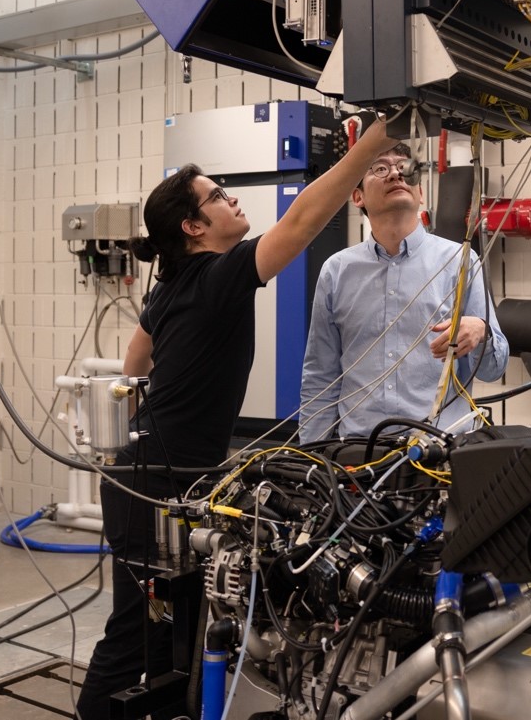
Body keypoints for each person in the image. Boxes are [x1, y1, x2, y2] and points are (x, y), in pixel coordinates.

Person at [75, 117, 398, 720]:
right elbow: (301, 223)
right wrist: (371, 145)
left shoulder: (173, 285)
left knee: (184, 635)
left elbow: (137, 358)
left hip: (155, 474)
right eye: (219, 196)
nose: (233, 199)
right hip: (158, 484)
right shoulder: (219, 278)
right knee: (137, 638)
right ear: (194, 227)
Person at [298, 143, 509, 444]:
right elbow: (321, 375)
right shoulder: (337, 271)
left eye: (404, 167)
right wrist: (314, 456)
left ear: (420, 192)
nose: (396, 174)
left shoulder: (460, 261)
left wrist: (481, 331)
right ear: (357, 196)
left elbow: (493, 369)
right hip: (360, 453)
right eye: (380, 168)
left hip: (439, 451)